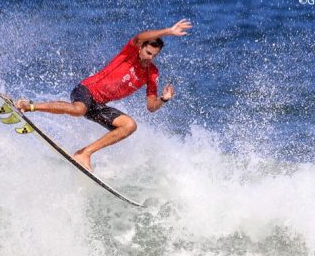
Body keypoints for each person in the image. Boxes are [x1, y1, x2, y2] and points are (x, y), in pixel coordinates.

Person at [15, 19, 193, 171]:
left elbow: (151, 106)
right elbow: (140, 37)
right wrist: (169, 31)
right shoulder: (129, 54)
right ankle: (28, 106)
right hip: (86, 90)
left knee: (129, 125)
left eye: (153, 55)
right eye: (147, 53)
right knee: (78, 109)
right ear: (140, 49)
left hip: (98, 105)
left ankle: (84, 153)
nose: (149, 58)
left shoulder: (152, 73)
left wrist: (163, 99)